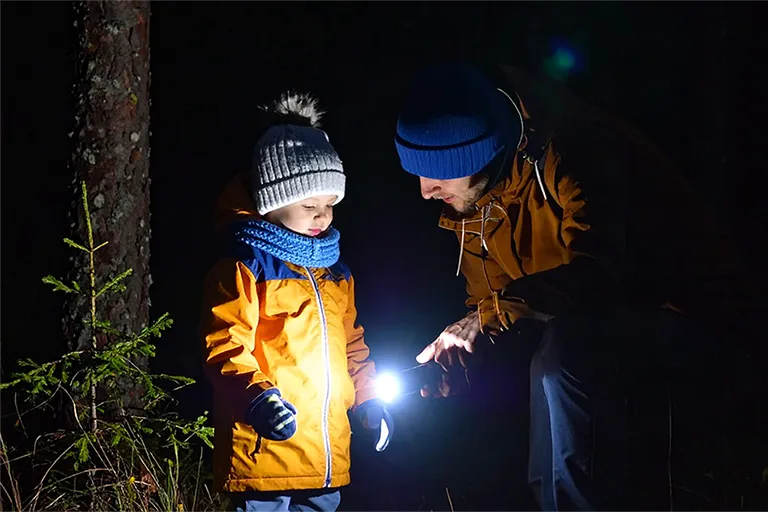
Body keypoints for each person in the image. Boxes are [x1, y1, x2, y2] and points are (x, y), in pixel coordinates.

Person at [393, 63, 760, 511]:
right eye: (416, 173)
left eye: (439, 173)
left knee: (568, 346)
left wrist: (486, 318)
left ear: (480, 153)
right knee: (536, 358)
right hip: (605, 344)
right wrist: (462, 362)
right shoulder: (474, 204)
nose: (425, 190)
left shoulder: (579, 150)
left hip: (706, 332)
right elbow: (502, 313)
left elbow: (596, 279)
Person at [200, 92, 393, 512]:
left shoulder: (335, 274)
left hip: (325, 460)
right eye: (309, 205)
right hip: (265, 453)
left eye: (329, 205)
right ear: (271, 204)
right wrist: (259, 400)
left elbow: (353, 347)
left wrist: (369, 398)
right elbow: (225, 347)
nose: (322, 216)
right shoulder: (245, 269)